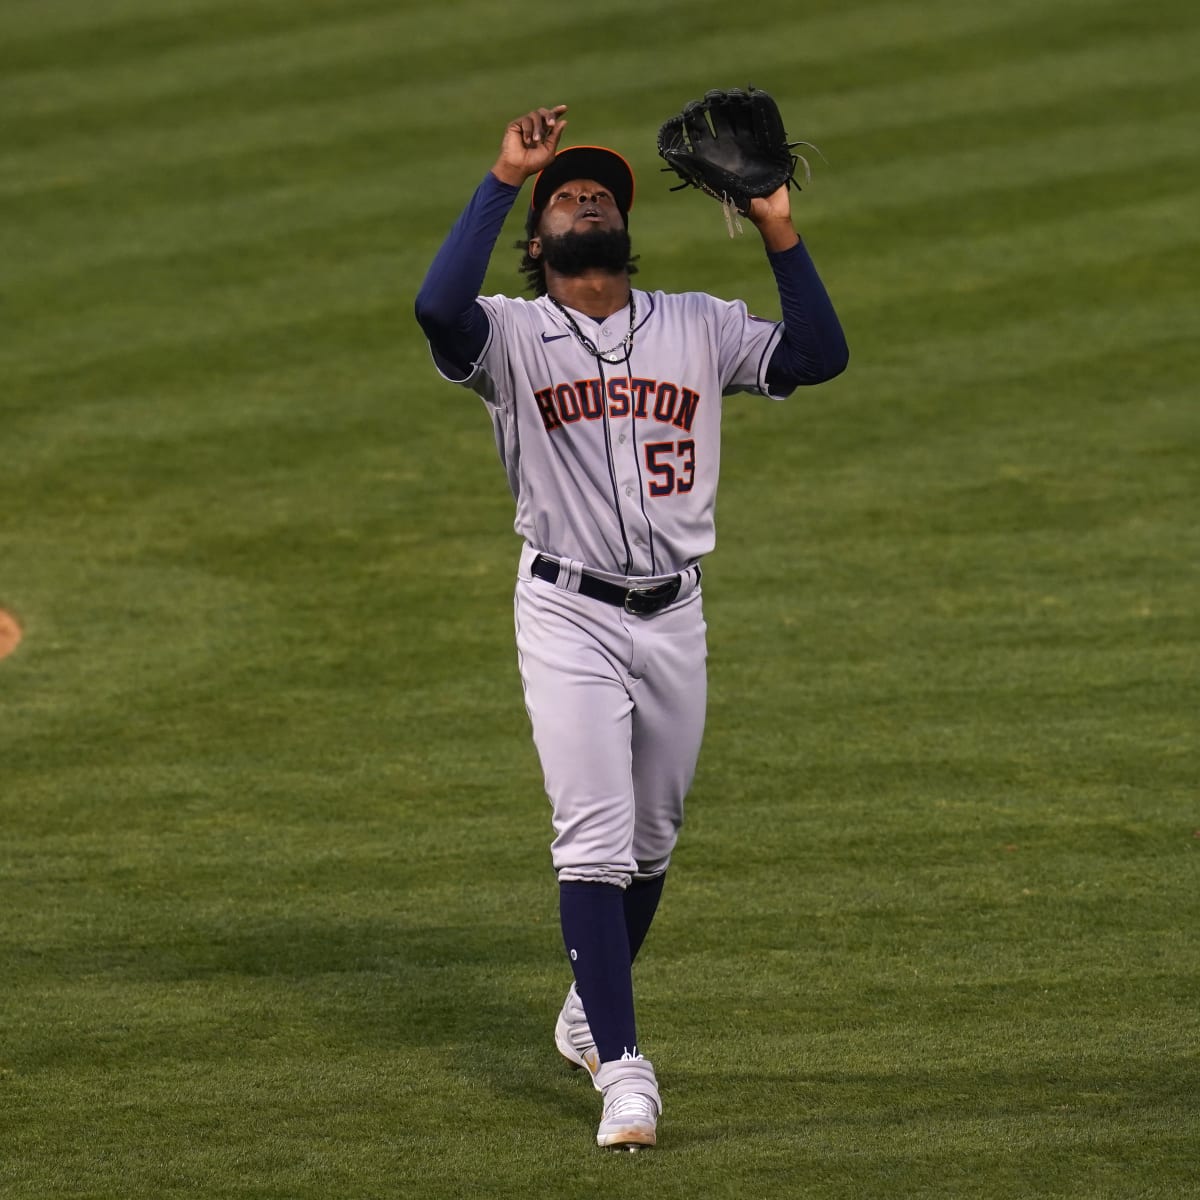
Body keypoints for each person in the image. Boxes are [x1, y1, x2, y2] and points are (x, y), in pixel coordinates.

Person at [414, 102, 848, 1151]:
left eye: (598, 191)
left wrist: (778, 222)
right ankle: (624, 1072)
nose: (585, 198)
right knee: (597, 842)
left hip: (674, 615)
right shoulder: (507, 339)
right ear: (538, 242)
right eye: (566, 195)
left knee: (653, 841)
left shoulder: (697, 321)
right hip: (565, 611)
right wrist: (503, 174)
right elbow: (437, 308)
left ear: (621, 227)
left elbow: (820, 356)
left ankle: (582, 1012)